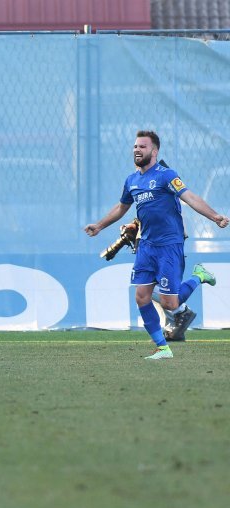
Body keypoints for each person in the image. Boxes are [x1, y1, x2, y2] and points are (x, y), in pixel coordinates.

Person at [85, 130, 229, 359]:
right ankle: (163, 348)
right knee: (141, 296)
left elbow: (189, 197)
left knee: (169, 303)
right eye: (135, 146)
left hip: (169, 245)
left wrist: (214, 216)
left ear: (154, 151)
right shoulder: (132, 180)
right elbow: (122, 207)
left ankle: (199, 276)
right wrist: (100, 225)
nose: (137, 150)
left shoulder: (166, 175)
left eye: (142, 146)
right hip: (147, 246)